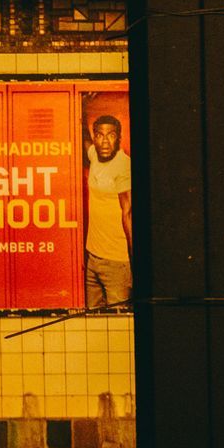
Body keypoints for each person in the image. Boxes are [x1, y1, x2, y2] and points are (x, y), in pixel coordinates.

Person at [84, 114, 133, 309]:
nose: (105, 141)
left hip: (116, 263)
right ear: (95, 138)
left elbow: (128, 213)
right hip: (93, 258)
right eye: (100, 135)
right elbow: (84, 140)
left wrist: (133, 262)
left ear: (119, 139)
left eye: (111, 135)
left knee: (118, 324)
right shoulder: (94, 155)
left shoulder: (123, 166)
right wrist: (83, 109)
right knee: (93, 325)